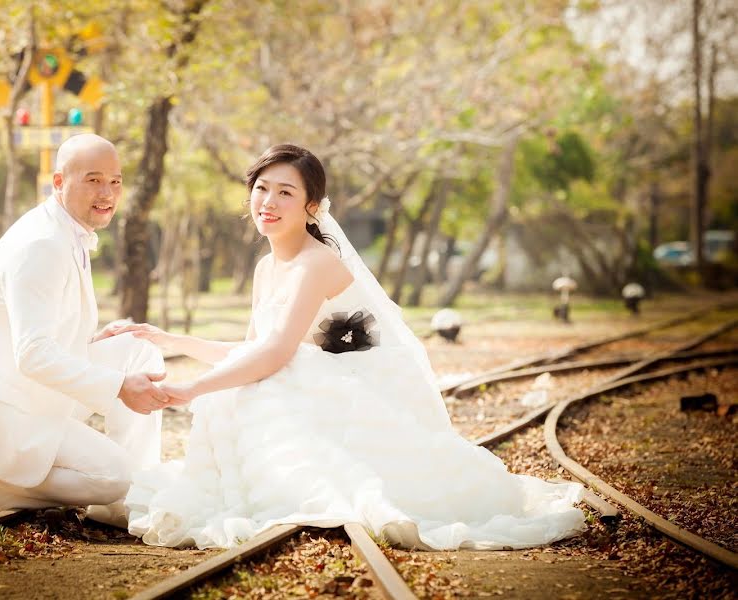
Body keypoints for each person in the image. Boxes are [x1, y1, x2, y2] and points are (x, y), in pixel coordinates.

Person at [118, 144, 587, 550]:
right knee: (254, 385)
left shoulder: (315, 264)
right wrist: (171, 340)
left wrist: (193, 389)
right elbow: (253, 351)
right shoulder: (267, 267)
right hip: (308, 384)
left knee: (265, 384)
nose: (269, 201)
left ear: (312, 207)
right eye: (262, 188)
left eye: (286, 192)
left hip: (349, 393)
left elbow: (276, 354)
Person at [0, 134, 170, 524]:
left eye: (115, 181)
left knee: (138, 348)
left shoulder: (65, 228)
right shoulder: (42, 244)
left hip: (20, 382)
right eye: (93, 180)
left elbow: (38, 331)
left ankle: (127, 503)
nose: (108, 193)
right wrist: (117, 385)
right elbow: (32, 354)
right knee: (113, 475)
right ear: (59, 182)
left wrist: (93, 342)